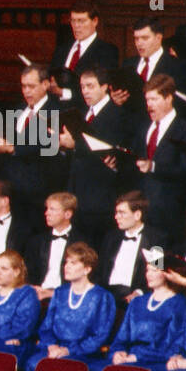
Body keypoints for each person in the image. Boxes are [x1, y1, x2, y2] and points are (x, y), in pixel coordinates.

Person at [92, 263, 186, 371]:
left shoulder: (180, 305)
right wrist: (118, 352)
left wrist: (135, 357)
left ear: (168, 273)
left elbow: (174, 348)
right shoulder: (137, 302)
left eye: (154, 270)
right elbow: (121, 338)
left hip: (156, 363)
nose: (148, 274)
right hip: (129, 359)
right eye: (147, 270)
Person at [0, 62, 66, 220]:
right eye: (23, 86)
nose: (26, 91)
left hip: (38, 193)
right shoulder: (18, 110)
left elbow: (46, 145)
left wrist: (12, 148)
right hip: (12, 189)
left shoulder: (56, 111)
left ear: (45, 84)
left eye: (31, 86)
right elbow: (11, 140)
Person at [61, 67, 136, 241]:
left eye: (90, 86)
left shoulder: (118, 115)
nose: (85, 91)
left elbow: (106, 150)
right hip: (79, 196)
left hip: (100, 198)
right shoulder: (82, 113)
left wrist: (74, 144)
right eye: (82, 87)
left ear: (105, 87)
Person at [22, 242, 117, 371]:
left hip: (83, 354)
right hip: (54, 350)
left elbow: (99, 336)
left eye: (73, 263)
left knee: (65, 370)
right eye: (66, 262)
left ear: (87, 269)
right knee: (32, 364)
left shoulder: (102, 297)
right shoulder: (60, 292)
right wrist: (52, 346)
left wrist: (68, 351)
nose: (67, 266)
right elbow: (46, 327)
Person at [134, 73, 186, 240]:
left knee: (161, 259)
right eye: (147, 100)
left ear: (168, 98)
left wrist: (154, 167)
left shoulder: (185, 129)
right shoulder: (144, 127)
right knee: (150, 259)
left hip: (168, 212)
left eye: (154, 99)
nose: (149, 105)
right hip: (144, 210)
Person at [48, 1, 120, 109]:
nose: (76, 26)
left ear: (95, 21)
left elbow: (101, 92)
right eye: (73, 21)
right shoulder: (62, 49)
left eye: (81, 21)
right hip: (55, 111)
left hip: (83, 114)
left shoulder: (107, 51)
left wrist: (63, 92)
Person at [98, 192, 167, 302]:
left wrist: (140, 292)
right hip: (107, 296)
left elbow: (157, 272)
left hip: (136, 297)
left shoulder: (156, 239)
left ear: (137, 215)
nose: (116, 217)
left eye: (122, 213)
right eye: (116, 212)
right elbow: (100, 271)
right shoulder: (111, 237)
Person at [112, 18, 186, 115]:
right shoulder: (128, 63)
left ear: (158, 38)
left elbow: (181, 103)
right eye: (136, 38)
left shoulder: (176, 65)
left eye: (145, 38)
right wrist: (116, 99)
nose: (139, 43)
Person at [25, 192, 88, 299]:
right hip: (38, 296)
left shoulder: (83, 242)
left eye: (52, 209)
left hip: (68, 297)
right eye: (47, 209)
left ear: (67, 214)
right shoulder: (37, 241)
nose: (46, 213)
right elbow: (28, 272)